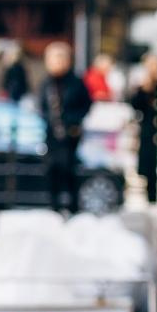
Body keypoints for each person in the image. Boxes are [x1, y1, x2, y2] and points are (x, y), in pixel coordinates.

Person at [39, 41, 93, 215]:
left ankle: (72, 208)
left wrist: (73, 121)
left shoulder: (76, 83)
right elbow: (42, 106)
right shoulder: (46, 83)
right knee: (52, 170)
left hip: (71, 135)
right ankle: (54, 207)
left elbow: (86, 104)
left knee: (69, 171)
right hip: (52, 135)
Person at [131, 55, 157, 205]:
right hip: (149, 130)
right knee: (149, 166)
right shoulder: (144, 87)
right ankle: (151, 198)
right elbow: (135, 105)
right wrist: (143, 89)